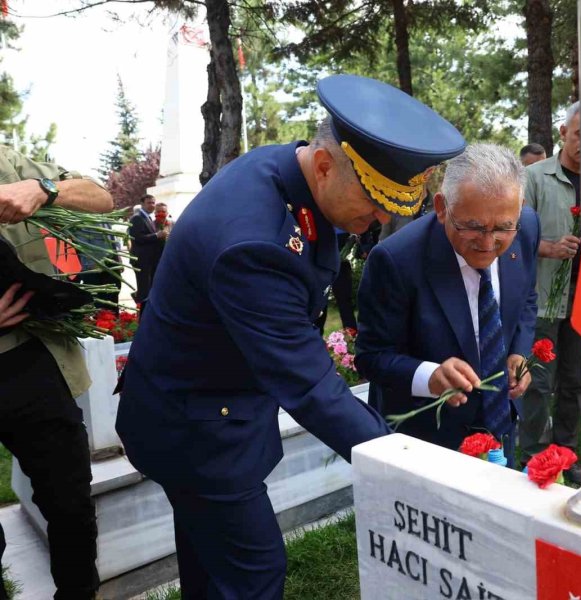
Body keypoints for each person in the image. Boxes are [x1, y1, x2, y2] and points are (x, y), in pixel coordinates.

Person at [115, 74, 466, 598]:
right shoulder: (254, 244)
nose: (381, 219)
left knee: (210, 564)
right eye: (374, 201)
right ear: (324, 166)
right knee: (254, 574)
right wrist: (400, 465)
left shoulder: (286, 172)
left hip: (198, 403)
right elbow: (309, 385)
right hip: (196, 431)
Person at [355, 144, 539, 466]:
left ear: (520, 208)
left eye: (502, 227)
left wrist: (519, 353)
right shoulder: (396, 260)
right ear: (441, 207)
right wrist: (430, 375)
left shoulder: (526, 229)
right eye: (473, 226)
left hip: (500, 422)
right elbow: (372, 356)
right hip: (428, 441)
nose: (487, 243)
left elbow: (526, 299)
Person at [0, 145, 113, 599]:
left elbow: (100, 197)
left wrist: (43, 189)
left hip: (35, 360)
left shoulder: (10, 162)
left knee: (71, 511)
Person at [520, 101, 581, 480]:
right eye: (578, 135)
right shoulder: (535, 177)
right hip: (543, 298)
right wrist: (549, 247)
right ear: (563, 132)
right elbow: (512, 234)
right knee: (538, 384)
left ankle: (567, 455)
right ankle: (535, 456)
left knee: (576, 382)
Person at [128, 193, 167, 305]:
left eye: (153, 203)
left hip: (150, 260)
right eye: (149, 203)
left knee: (149, 288)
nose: (152, 205)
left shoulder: (149, 218)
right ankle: (142, 314)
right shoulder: (137, 218)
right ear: (142, 204)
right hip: (142, 260)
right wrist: (156, 235)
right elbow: (138, 238)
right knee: (144, 289)